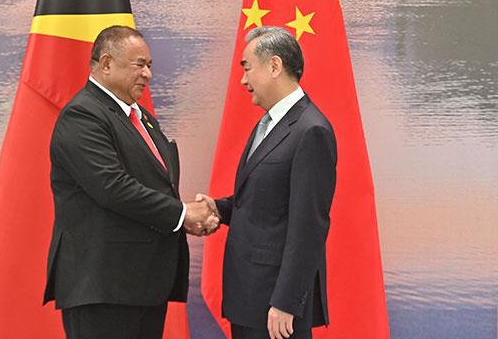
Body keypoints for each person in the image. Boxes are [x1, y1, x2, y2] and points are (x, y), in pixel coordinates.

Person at [43, 25, 218, 339]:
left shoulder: (142, 118)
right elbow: (112, 187)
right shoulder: (83, 115)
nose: (147, 74)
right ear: (106, 63)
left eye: (149, 65)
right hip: (104, 288)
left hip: (143, 285)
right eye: (139, 65)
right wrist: (182, 214)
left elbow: (155, 185)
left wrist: (184, 219)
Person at [198, 26, 337, 339]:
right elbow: (265, 201)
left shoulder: (311, 130)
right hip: (250, 298)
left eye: (247, 68)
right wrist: (218, 209)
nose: (242, 80)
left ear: (275, 66)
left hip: (276, 307)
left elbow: (309, 226)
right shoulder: (270, 124)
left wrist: (287, 302)